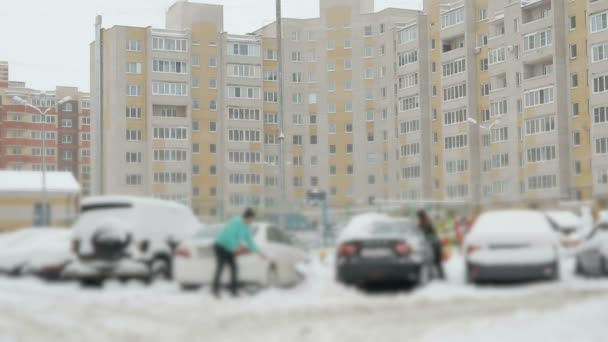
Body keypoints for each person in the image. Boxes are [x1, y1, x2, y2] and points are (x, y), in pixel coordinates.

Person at [212, 208, 265, 298]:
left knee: (234, 268)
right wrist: (236, 246)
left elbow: (250, 242)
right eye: (251, 219)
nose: (252, 221)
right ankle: (215, 290)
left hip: (229, 249)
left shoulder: (246, 227)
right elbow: (230, 235)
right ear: (247, 217)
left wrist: (259, 252)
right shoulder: (236, 222)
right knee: (220, 267)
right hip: (220, 246)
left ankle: (233, 291)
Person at [417, 210, 445, 280]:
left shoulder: (426, 223)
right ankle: (436, 276)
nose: (419, 218)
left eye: (419, 217)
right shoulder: (424, 223)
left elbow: (429, 234)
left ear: (422, 216)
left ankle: (438, 276)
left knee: (435, 261)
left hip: (433, 245)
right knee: (434, 262)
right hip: (432, 244)